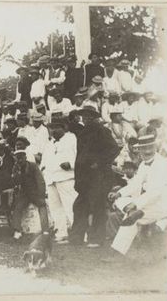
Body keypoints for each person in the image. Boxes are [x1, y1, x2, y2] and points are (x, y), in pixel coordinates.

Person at [108, 134, 167, 255]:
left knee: (131, 214)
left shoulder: (163, 164)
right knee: (121, 201)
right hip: (146, 203)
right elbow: (135, 184)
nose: (147, 151)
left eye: (150, 147)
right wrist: (119, 193)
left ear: (155, 147)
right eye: (144, 148)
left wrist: (135, 204)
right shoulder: (144, 164)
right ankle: (134, 213)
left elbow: (156, 192)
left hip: (163, 204)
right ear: (139, 150)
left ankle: (117, 251)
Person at [70, 106, 120, 247]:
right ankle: (76, 238)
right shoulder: (82, 133)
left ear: (94, 117)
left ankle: (96, 239)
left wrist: (99, 163)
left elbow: (114, 149)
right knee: (80, 206)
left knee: (97, 206)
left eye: (89, 116)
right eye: (84, 116)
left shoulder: (102, 130)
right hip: (85, 177)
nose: (86, 118)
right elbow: (80, 156)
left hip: (99, 176)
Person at [41, 118, 77, 243]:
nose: (54, 130)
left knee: (71, 206)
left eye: (57, 127)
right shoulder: (49, 143)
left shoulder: (71, 139)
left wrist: (71, 164)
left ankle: (79, 234)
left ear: (64, 128)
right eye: (51, 127)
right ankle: (61, 233)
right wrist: (44, 171)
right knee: (56, 208)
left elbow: (79, 156)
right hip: (51, 179)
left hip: (66, 177)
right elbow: (44, 161)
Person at [11, 150, 50, 240]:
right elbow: (15, 182)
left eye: (21, 157)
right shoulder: (16, 168)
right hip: (24, 193)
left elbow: (40, 181)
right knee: (18, 208)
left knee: (42, 205)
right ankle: (17, 231)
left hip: (34, 192)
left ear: (25, 157)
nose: (20, 160)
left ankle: (45, 230)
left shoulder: (33, 166)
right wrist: (17, 173)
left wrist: (41, 195)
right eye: (18, 158)